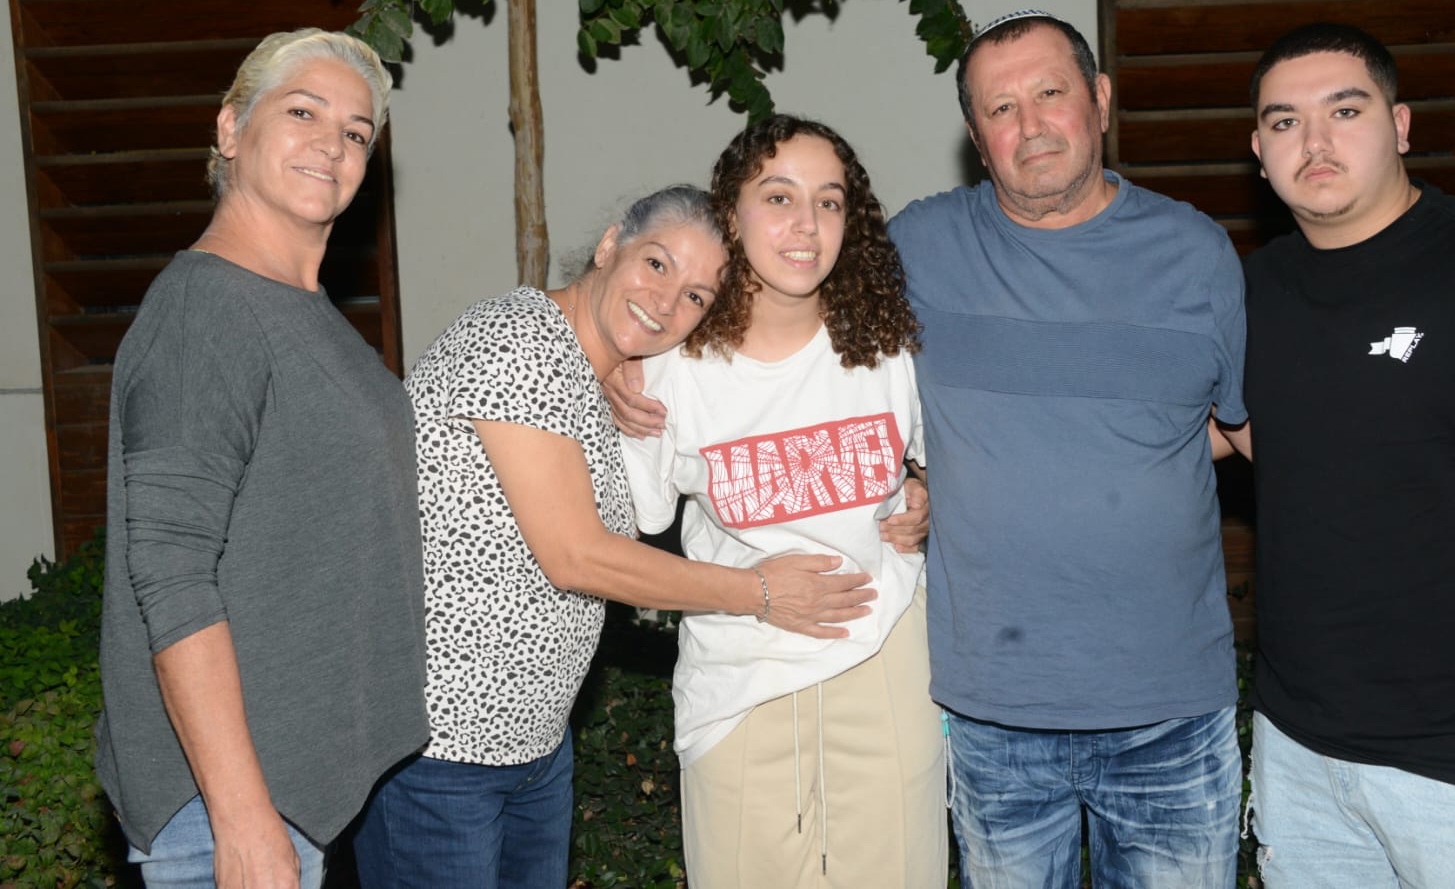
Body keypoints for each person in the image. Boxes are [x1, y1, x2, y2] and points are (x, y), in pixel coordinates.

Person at [610, 9, 1247, 888]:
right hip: (968, 708)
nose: (1029, 124)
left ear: (1100, 100)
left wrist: (929, 486)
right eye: (1000, 108)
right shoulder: (918, 251)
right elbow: (627, 522)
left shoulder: (1194, 254)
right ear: (975, 136)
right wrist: (617, 359)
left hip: (1145, 705)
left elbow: (1228, 428)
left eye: (1051, 94)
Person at [351, 184, 902, 889]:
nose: (668, 301)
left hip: (534, 747)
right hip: (440, 749)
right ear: (610, 245)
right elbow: (576, 555)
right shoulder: (516, 339)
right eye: (657, 263)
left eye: (699, 296)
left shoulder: (597, 377)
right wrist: (757, 591)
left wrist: (905, 481)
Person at [1232, 22, 1455, 888]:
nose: (1314, 141)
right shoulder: (1251, 293)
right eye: (1284, 122)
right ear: (1258, 148)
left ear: (1400, 125)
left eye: (1344, 110)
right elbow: (1194, 435)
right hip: (1301, 757)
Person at [95, 28, 427, 889]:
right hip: (227, 809)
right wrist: (243, 819)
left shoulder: (300, 308)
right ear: (230, 130)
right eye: (303, 111)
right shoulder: (209, 311)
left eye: (356, 132)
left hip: (285, 793)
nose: (334, 143)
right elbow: (170, 575)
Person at [617, 115, 943, 887]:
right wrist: (607, 371)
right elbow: (626, 531)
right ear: (729, 213)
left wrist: (929, 494)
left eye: (829, 202)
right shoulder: (669, 367)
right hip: (739, 680)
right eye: (778, 197)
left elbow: (943, 463)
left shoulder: (887, 346)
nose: (806, 224)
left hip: (884, 654)